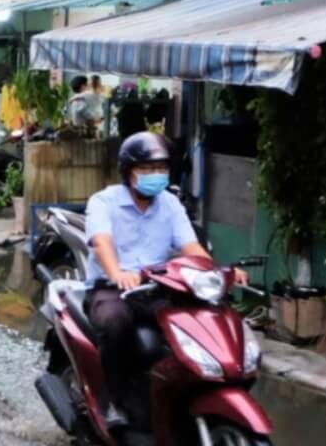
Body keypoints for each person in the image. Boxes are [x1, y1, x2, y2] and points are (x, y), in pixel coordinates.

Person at [84, 133, 245, 428]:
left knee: (197, 323)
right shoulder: (103, 201)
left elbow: (191, 247)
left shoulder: (169, 203)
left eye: (161, 168)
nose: (155, 175)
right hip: (112, 289)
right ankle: (115, 404)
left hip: (157, 289)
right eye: (146, 169)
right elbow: (101, 242)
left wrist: (220, 271)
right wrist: (118, 273)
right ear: (128, 171)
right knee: (115, 323)